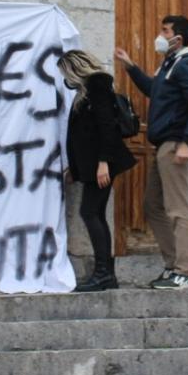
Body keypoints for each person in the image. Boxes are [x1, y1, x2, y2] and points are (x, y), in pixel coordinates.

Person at [115, 15, 188, 290]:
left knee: (179, 210)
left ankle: (187, 272)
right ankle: (173, 267)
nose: (160, 34)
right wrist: (131, 67)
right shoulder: (170, 65)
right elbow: (154, 91)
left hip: (176, 144)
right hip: (164, 147)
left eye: (164, 30)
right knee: (153, 206)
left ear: (177, 38)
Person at [57, 49, 137, 292]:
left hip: (103, 164)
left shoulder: (97, 84)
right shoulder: (86, 90)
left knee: (90, 212)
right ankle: (106, 274)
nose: (65, 78)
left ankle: (103, 273)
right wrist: (75, 168)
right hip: (92, 165)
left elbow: (106, 127)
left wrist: (104, 163)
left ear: (74, 68)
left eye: (66, 72)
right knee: (95, 214)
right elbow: (82, 134)